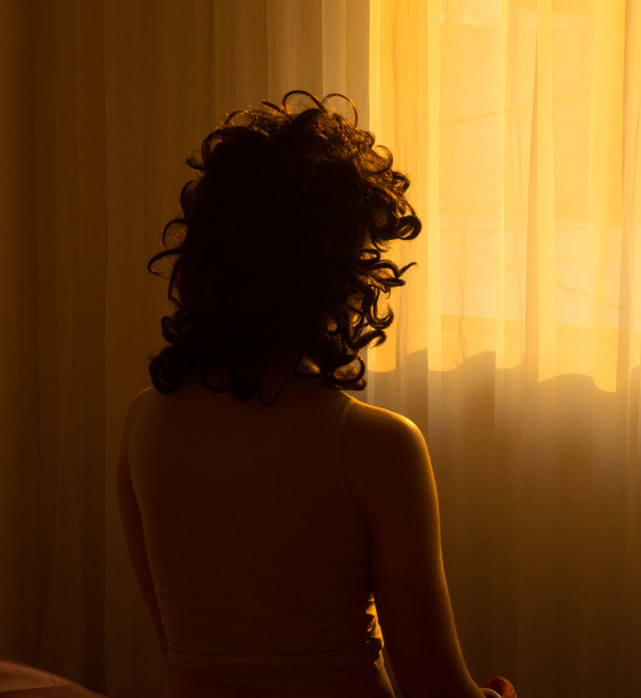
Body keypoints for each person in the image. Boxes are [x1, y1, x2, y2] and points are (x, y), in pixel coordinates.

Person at [117, 92, 501, 698]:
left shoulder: (142, 423)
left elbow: (186, 650)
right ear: (340, 274)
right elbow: (435, 689)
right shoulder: (376, 446)